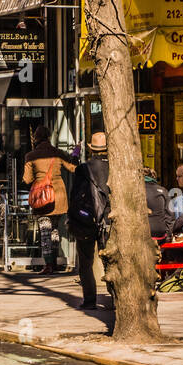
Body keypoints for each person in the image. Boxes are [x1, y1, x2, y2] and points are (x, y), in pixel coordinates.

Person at [22, 126, 76, 274]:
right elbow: (73, 168)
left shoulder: (31, 156)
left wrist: (37, 176)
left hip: (42, 197)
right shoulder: (58, 153)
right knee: (54, 230)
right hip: (58, 196)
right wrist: (76, 153)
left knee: (45, 231)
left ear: (36, 138)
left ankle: (48, 264)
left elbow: (27, 180)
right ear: (49, 137)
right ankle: (54, 261)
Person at [68, 131, 111, 310]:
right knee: (110, 262)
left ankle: (90, 300)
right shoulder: (115, 167)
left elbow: (75, 195)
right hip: (109, 220)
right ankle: (116, 297)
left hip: (86, 220)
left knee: (86, 262)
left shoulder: (83, 169)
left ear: (90, 148)